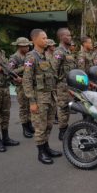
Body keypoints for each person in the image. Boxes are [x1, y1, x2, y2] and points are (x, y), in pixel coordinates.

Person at [22, 29, 62, 165]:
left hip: (50, 97)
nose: (46, 40)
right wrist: (32, 101)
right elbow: (26, 80)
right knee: (40, 126)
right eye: (43, 38)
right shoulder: (31, 57)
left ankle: (47, 148)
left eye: (46, 38)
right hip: (39, 98)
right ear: (34, 40)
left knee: (49, 125)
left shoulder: (45, 56)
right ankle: (41, 153)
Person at [50, 28, 77, 141]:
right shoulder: (59, 52)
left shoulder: (68, 51)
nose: (70, 37)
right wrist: (55, 88)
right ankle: (62, 132)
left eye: (70, 35)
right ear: (61, 37)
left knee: (66, 109)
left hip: (68, 86)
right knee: (62, 109)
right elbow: (53, 70)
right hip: (61, 86)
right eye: (68, 35)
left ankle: (65, 129)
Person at [9, 37, 34, 138]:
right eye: (25, 46)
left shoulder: (29, 55)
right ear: (19, 46)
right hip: (21, 86)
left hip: (30, 85)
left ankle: (29, 125)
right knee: (24, 108)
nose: (28, 47)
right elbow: (10, 71)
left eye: (28, 45)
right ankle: (25, 128)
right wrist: (23, 68)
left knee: (30, 107)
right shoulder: (14, 57)